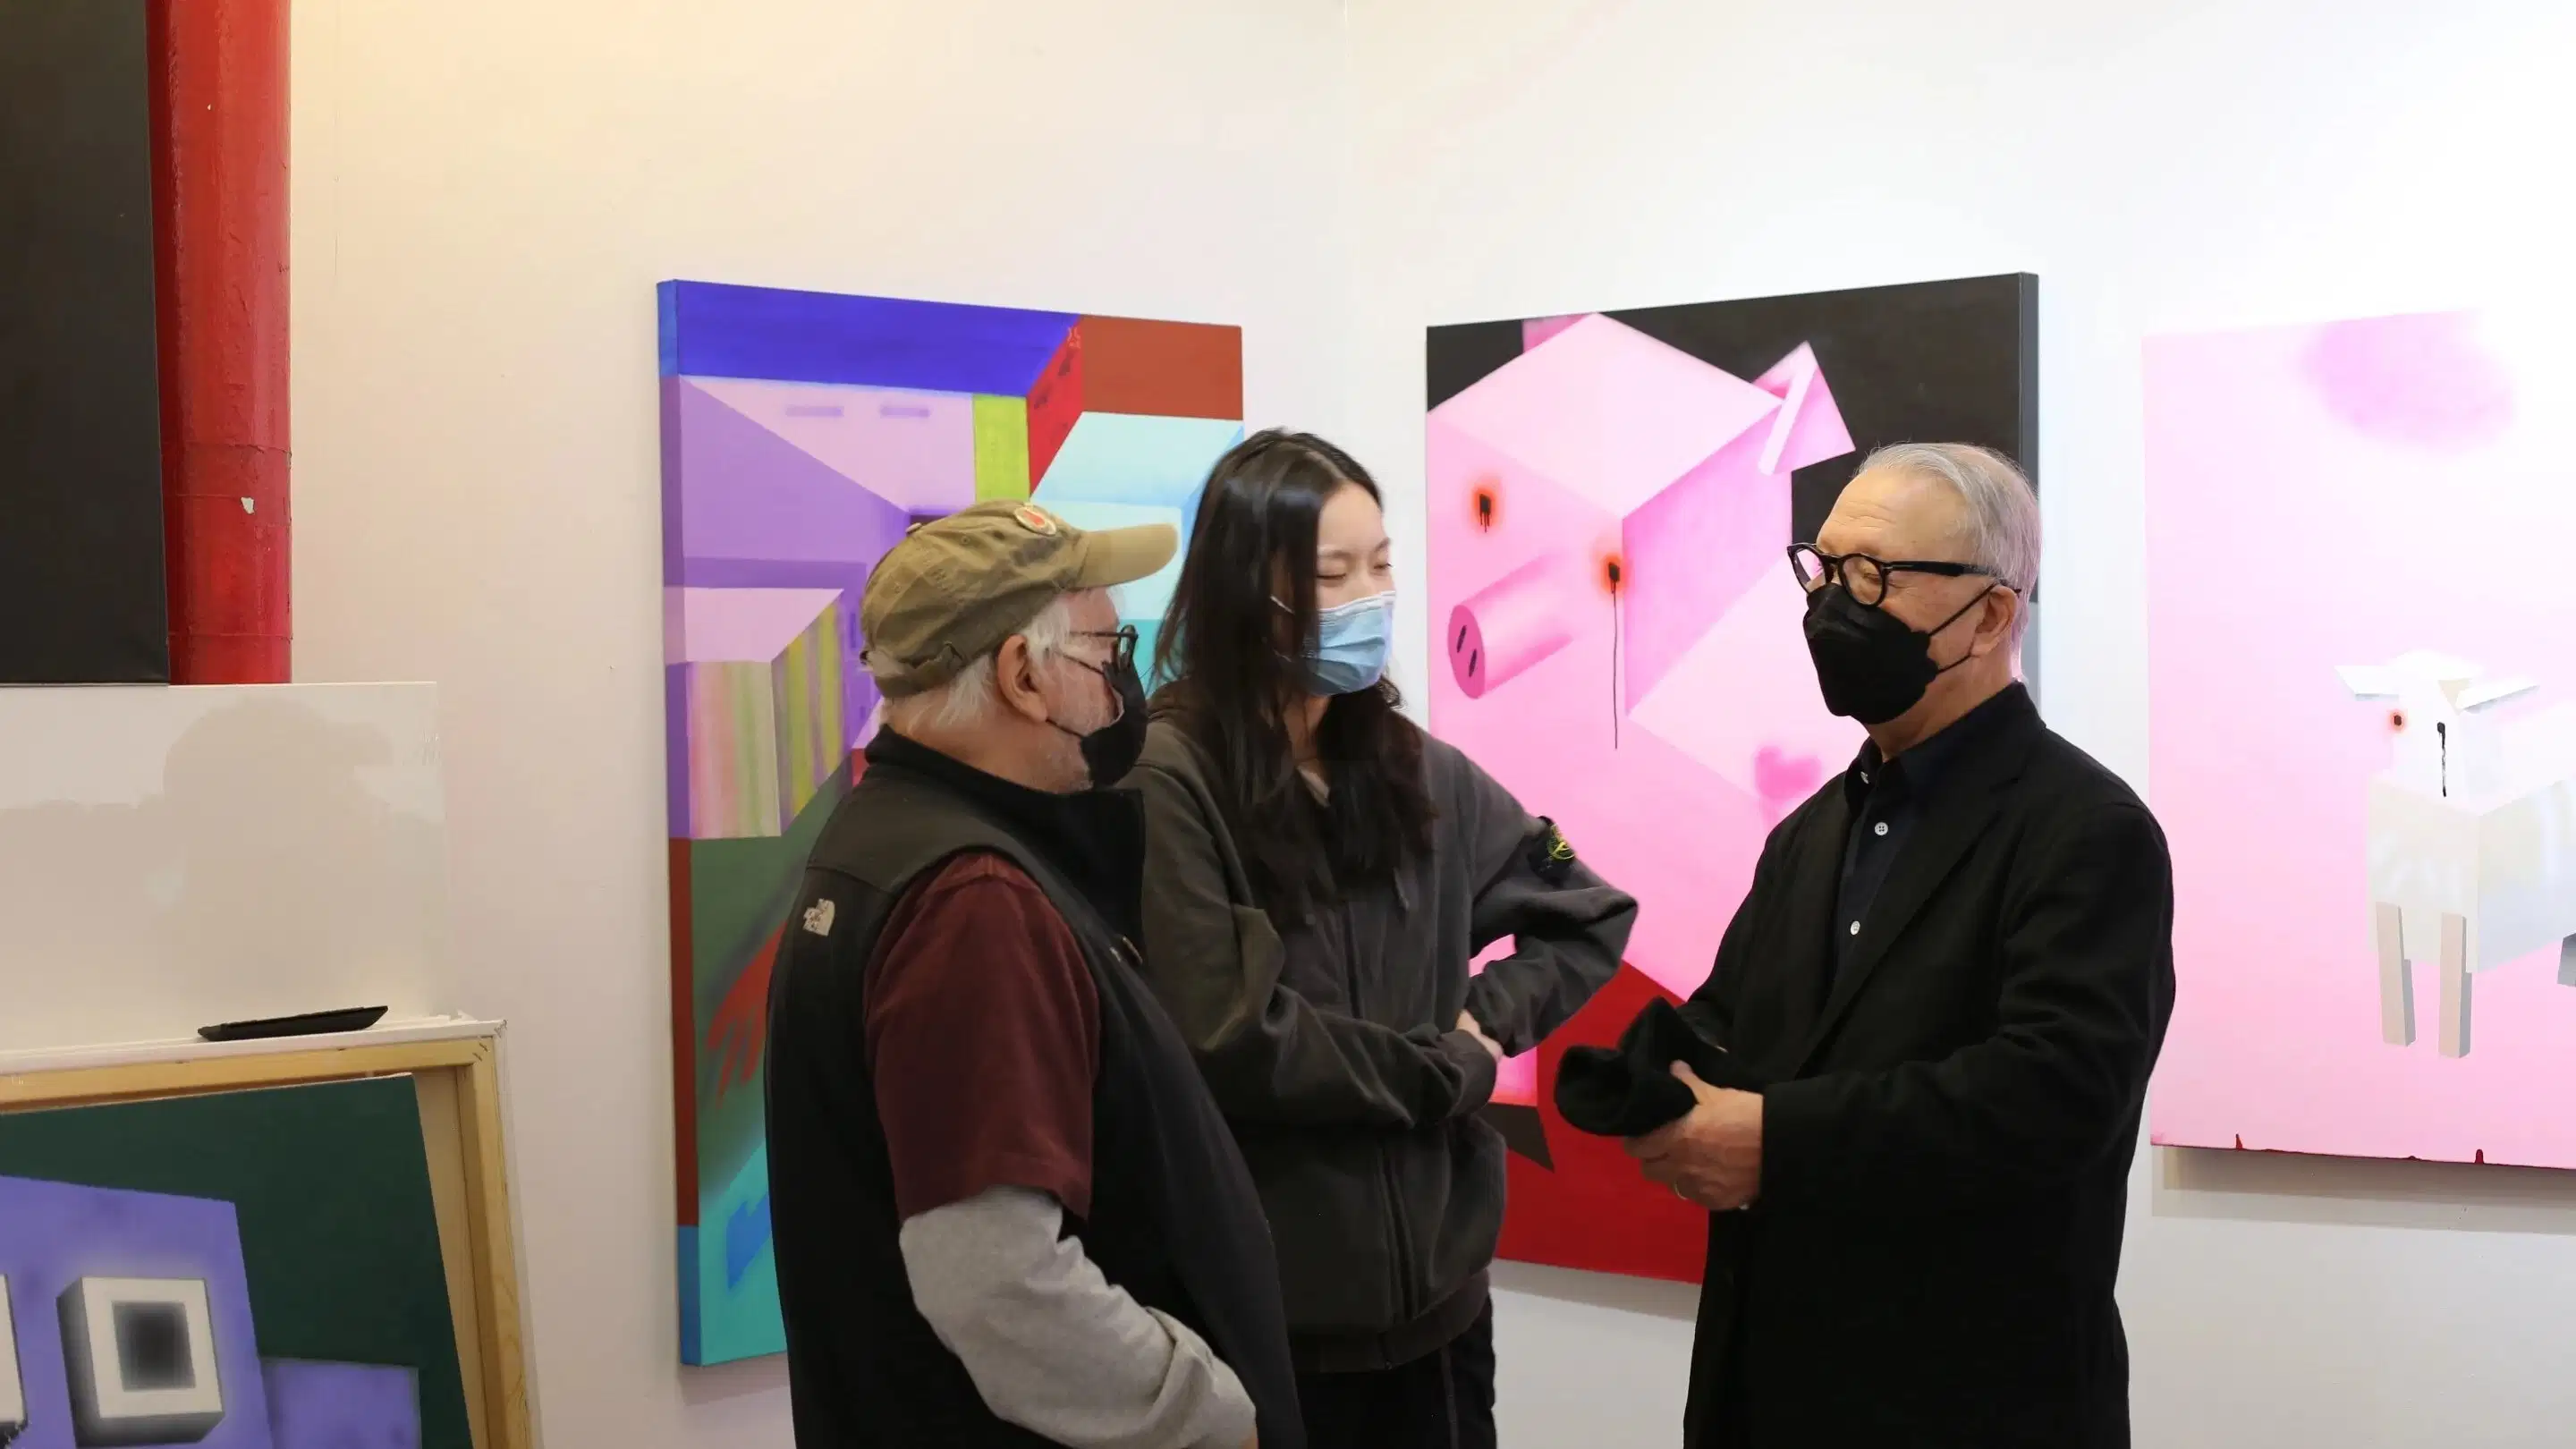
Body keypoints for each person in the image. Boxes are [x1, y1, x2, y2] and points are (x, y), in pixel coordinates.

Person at [1625, 442, 2175, 1448]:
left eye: (1875, 576)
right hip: (1771, 1391)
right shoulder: (1814, 832)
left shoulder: (2085, 830)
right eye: (1825, 570)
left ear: (1995, 615)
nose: (1835, 606)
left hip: (1974, 1400)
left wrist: (1775, 1142)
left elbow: (2055, 1098)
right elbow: (1736, 1022)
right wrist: (1658, 1081)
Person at [1125, 430, 1639, 1448]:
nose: (1369, 595)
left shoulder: (1415, 768)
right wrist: (1443, 1069)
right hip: (1267, 1329)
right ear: (1250, 591)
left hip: (1443, 1323)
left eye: (1383, 562)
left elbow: (1586, 915)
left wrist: (1486, 1022)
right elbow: (1234, 1034)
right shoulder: (1170, 779)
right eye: (1331, 573)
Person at [762, 499, 1301, 1449]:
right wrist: (1206, 1412)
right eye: (1107, 649)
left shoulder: (884, 845)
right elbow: (999, 1280)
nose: (1126, 684)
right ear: (1022, 675)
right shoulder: (973, 904)